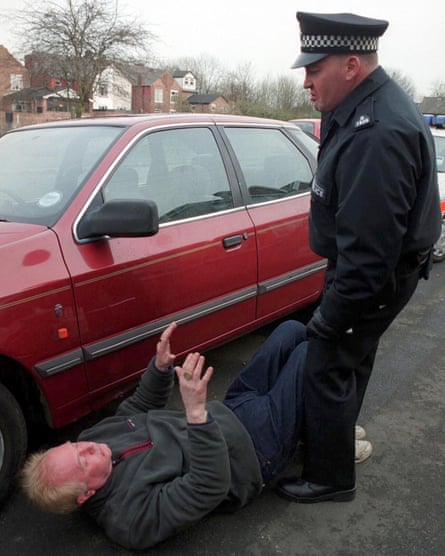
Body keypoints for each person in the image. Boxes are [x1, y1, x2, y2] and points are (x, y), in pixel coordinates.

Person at [277, 12, 442, 504]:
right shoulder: (358, 106)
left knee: (326, 360)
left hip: (372, 277)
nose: (305, 81)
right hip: (375, 272)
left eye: (314, 69)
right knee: (352, 358)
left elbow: (369, 255)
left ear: (351, 65)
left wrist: (330, 317)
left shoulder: (377, 131)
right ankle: (339, 439)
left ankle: (330, 477)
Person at [22, 320, 308, 550]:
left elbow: (137, 408)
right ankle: (329, 438)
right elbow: (209, 485)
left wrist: (159, 368)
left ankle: (318, 412)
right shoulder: (130, 519)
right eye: (83, 461)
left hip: (227, 409)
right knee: (308, 354)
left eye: (76, 445)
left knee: (290, 330)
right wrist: (195, 414)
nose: (90, 446)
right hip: (252, 451)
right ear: (86, 495)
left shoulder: (95, 439)